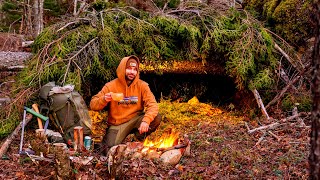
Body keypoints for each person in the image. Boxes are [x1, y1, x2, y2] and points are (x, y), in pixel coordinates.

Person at [89, 55, 161, 149]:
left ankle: (137, 138)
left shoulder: (142, 86)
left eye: (135, 69)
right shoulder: (110, 86)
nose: (132, 72)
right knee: (109, 147)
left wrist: (146, 121)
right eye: (129, 68)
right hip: (118, 124)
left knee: (156, 117)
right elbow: (93, 104)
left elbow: (153, 105)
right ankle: (117, 139)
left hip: (135, 120)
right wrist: (104, 99)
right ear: (122, 69)